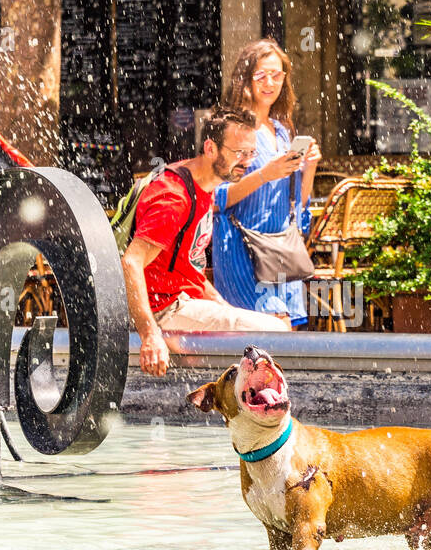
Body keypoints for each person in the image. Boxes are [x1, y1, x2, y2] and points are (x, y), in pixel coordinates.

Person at [122, 106, 290, 377]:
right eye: (239, 153)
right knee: (276, 333)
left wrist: (225, 310)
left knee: (273, 325)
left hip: (182, 302)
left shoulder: (204, 188)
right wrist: (150, 334)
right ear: (210, 148)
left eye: (251, 153)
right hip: (163, 311)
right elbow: (130, 262)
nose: (247, 161)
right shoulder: (174, 197)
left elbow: (191, 271)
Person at [212, 39, 321, 327]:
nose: (270, 82)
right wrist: (265, 174)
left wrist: (309, 168)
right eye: (261, 75)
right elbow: (217, 196)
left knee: (284, 337)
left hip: (281, 250)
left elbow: (298, 206)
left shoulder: (283, 131)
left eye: (277, 74)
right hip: (243, 248)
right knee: (272, 328)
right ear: (245, 78)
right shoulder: (232, 129)